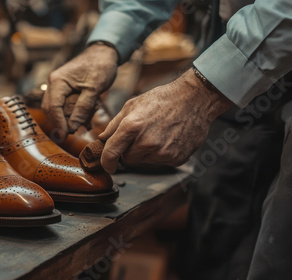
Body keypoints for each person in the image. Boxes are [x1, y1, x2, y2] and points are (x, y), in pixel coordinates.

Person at [42, 0, 292, 279]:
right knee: (216, 241)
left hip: (247, 61)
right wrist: (105, 45)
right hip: (233, 67)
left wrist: (200, 92)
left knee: (279, 255)